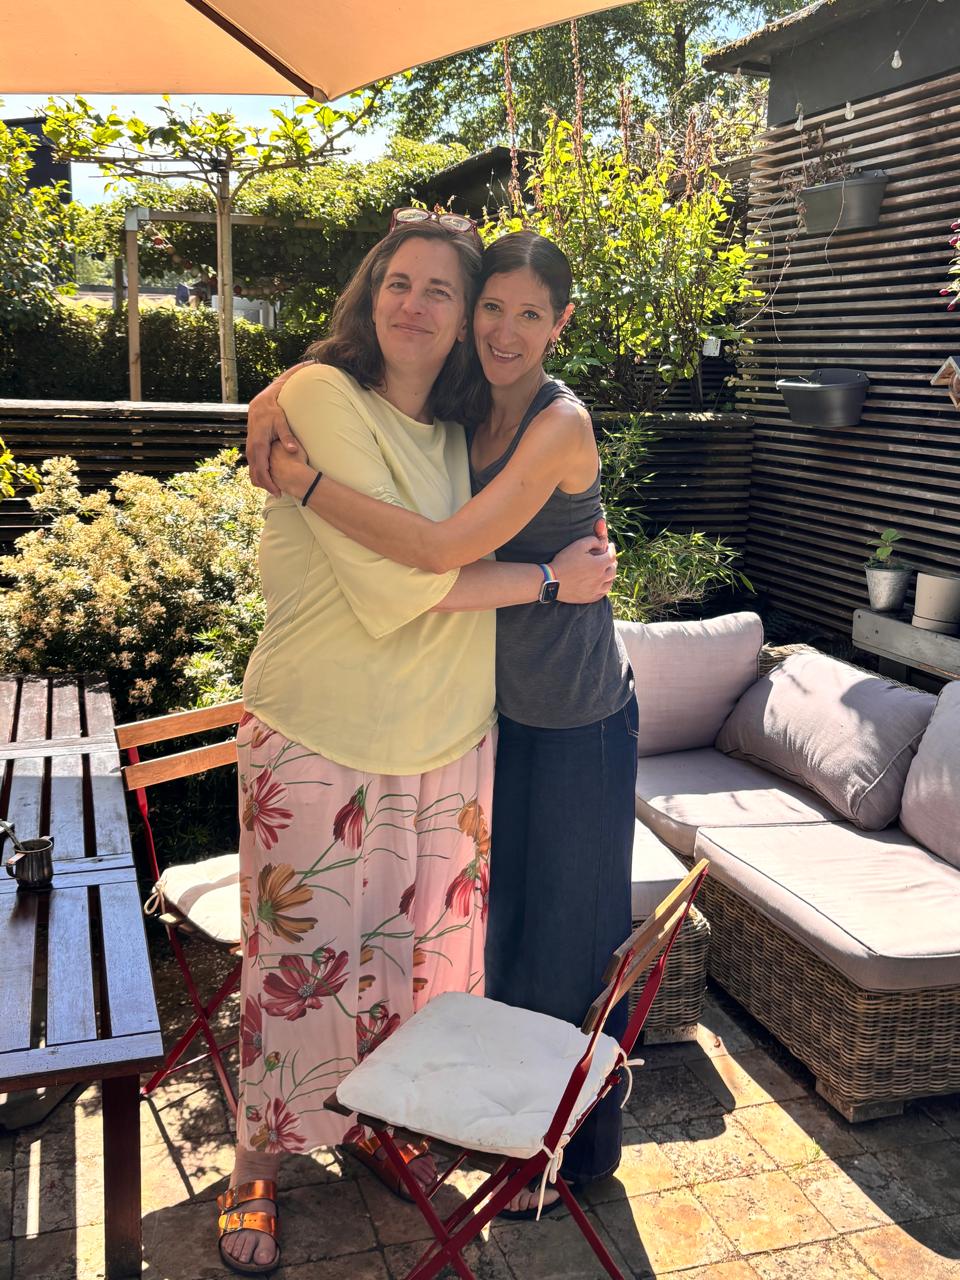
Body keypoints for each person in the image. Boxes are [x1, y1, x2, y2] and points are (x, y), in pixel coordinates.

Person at [220, 216, 616, 1276]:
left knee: (411, 968)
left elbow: (441, 557)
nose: (419, 304)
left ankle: (378, 1127)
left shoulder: (463, 430)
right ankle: (257, 1159)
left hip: (446, 743)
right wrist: (544, 580)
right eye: (401, 282)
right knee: (296, 968)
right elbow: (407, 581)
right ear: (368, 293)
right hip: (318, 732)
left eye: (447, 290)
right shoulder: (313, 398)